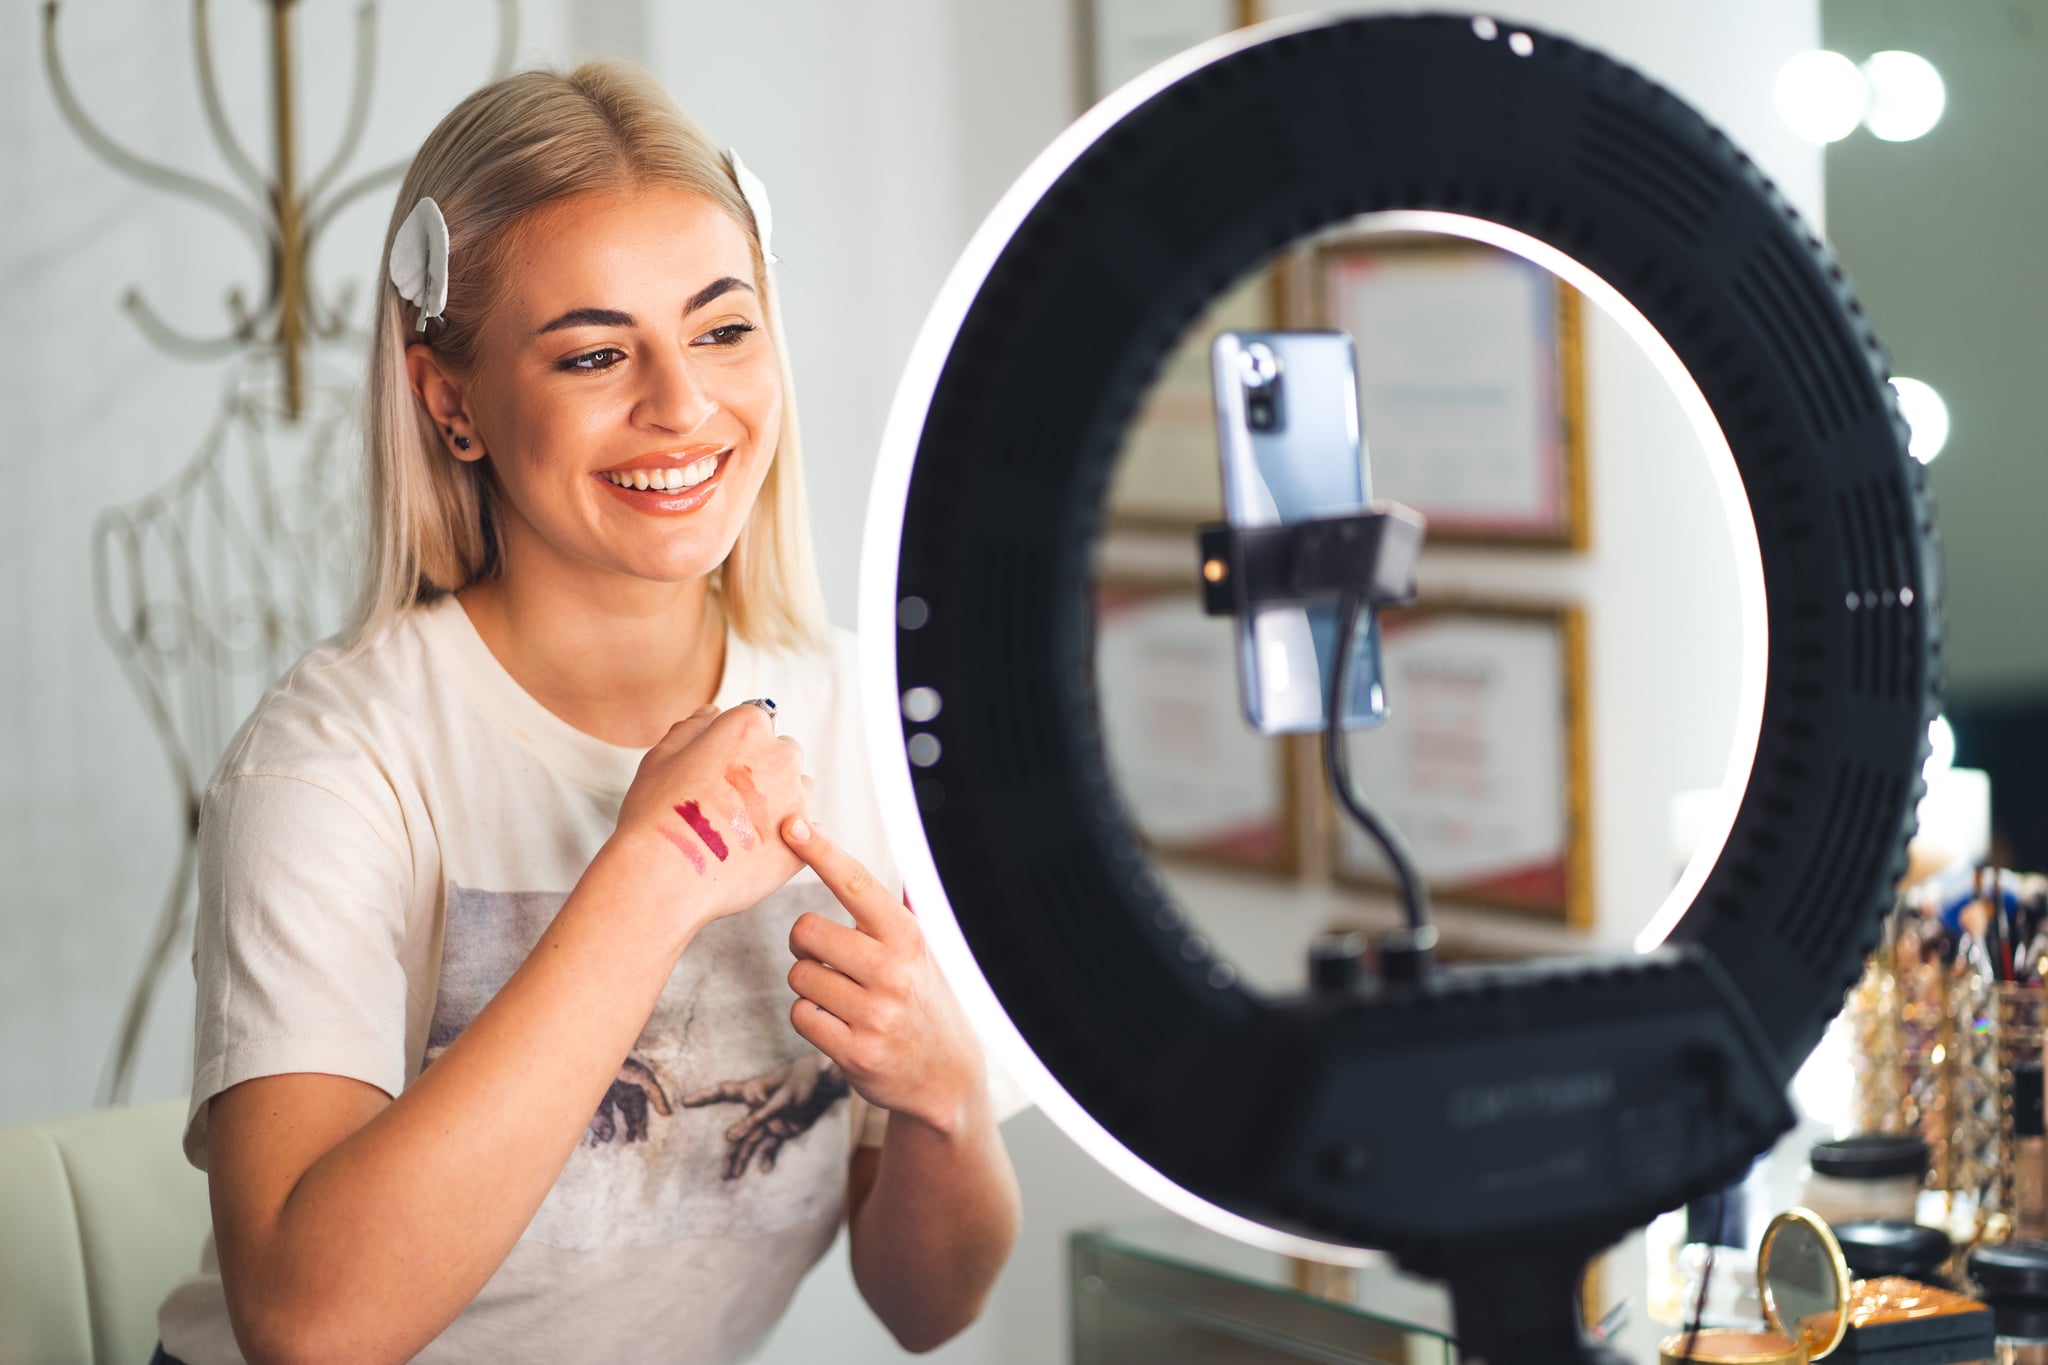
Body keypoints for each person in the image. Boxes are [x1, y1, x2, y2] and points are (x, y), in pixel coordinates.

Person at [152, 59, 1022, 1365]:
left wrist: (949, 1094)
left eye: (722, 330)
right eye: (597, 352)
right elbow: (310, 1325)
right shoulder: (333, 760)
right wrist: (649, 876)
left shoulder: (869, 726)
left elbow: (928, 1304)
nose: (681, 404)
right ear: (451, 400)